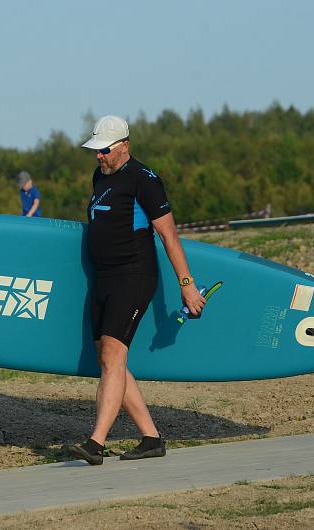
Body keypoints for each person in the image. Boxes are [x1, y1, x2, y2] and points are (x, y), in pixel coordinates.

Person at [65, 115, 205, 465]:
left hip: (134, 276)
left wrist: (186, 286)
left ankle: (96, 442)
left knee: (113, 353)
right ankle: (151, 437)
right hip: (105, 278)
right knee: (107, 356)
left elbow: (168, 235)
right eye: (95, 150)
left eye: (105, 150)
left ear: (124, 145)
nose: (98, 156)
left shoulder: (145, 181)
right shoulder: (101, 176)